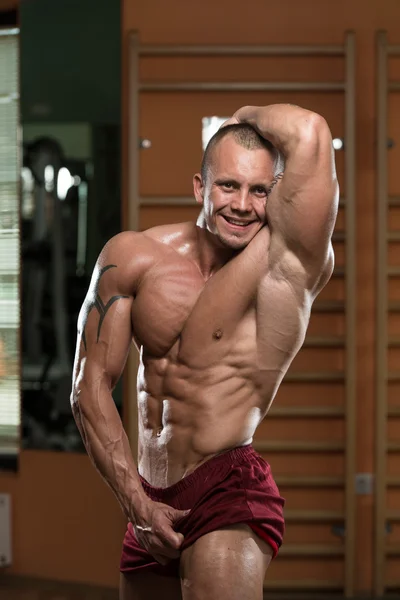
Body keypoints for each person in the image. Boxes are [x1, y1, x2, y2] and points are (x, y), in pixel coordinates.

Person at [71, 104, 338, 600]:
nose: (242, 204)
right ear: (200, 187)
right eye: (228, 185)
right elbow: (88, 388)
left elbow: (310, 131)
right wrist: (136, 503)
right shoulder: (134, 256)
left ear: (277, 197)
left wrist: (243, 117)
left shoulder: (286, 267)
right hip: (147, 492)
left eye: (260, 191)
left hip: (227, 487)